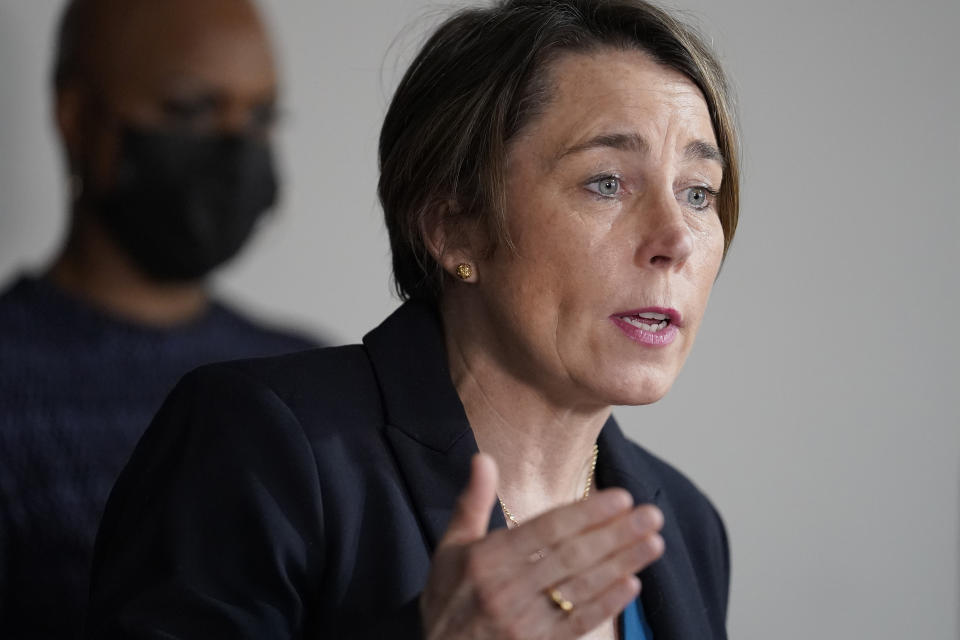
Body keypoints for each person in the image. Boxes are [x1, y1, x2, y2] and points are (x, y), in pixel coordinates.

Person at [85, 0, 739, 638]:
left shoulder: (685, 524)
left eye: (697, 193)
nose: (675, 239)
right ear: (454, 226)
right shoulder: (262, 444)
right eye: (606, 182)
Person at [0, 0, 322, 636]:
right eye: (192, 110)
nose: (234, 146)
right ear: (78, 117)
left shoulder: (305, 376)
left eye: (260, 117)